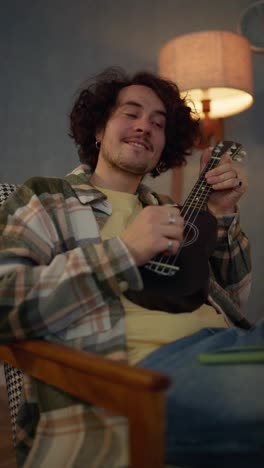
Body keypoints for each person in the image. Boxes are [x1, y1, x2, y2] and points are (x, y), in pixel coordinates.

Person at [0, 67, 263, 468]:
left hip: (230, 348)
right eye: (131, 113)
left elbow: (233, 298)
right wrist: (124, 251)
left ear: (163, 147)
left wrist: (223, 215)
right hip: (143, 378)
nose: (145, 127)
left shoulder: (171, 210)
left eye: (158, 124)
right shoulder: (45, 198)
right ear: (99, 130)